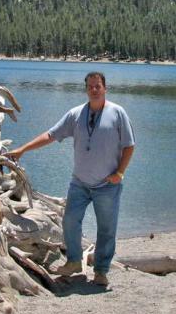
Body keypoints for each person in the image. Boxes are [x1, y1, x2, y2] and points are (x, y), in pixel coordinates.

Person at [7, 71, 135, 287]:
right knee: (69, 221)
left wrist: (120, 173)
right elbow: (50, 135)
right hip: (80, 183)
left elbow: (129, 146)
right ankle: (74, 261)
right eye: (90, 86)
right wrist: (23, 149)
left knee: (106, 229)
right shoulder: (76, 114)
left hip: (107, 185)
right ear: (86, 89)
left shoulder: (118, 113)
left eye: (98, 86)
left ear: (105, 88)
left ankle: (101, 271)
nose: (94, 90)